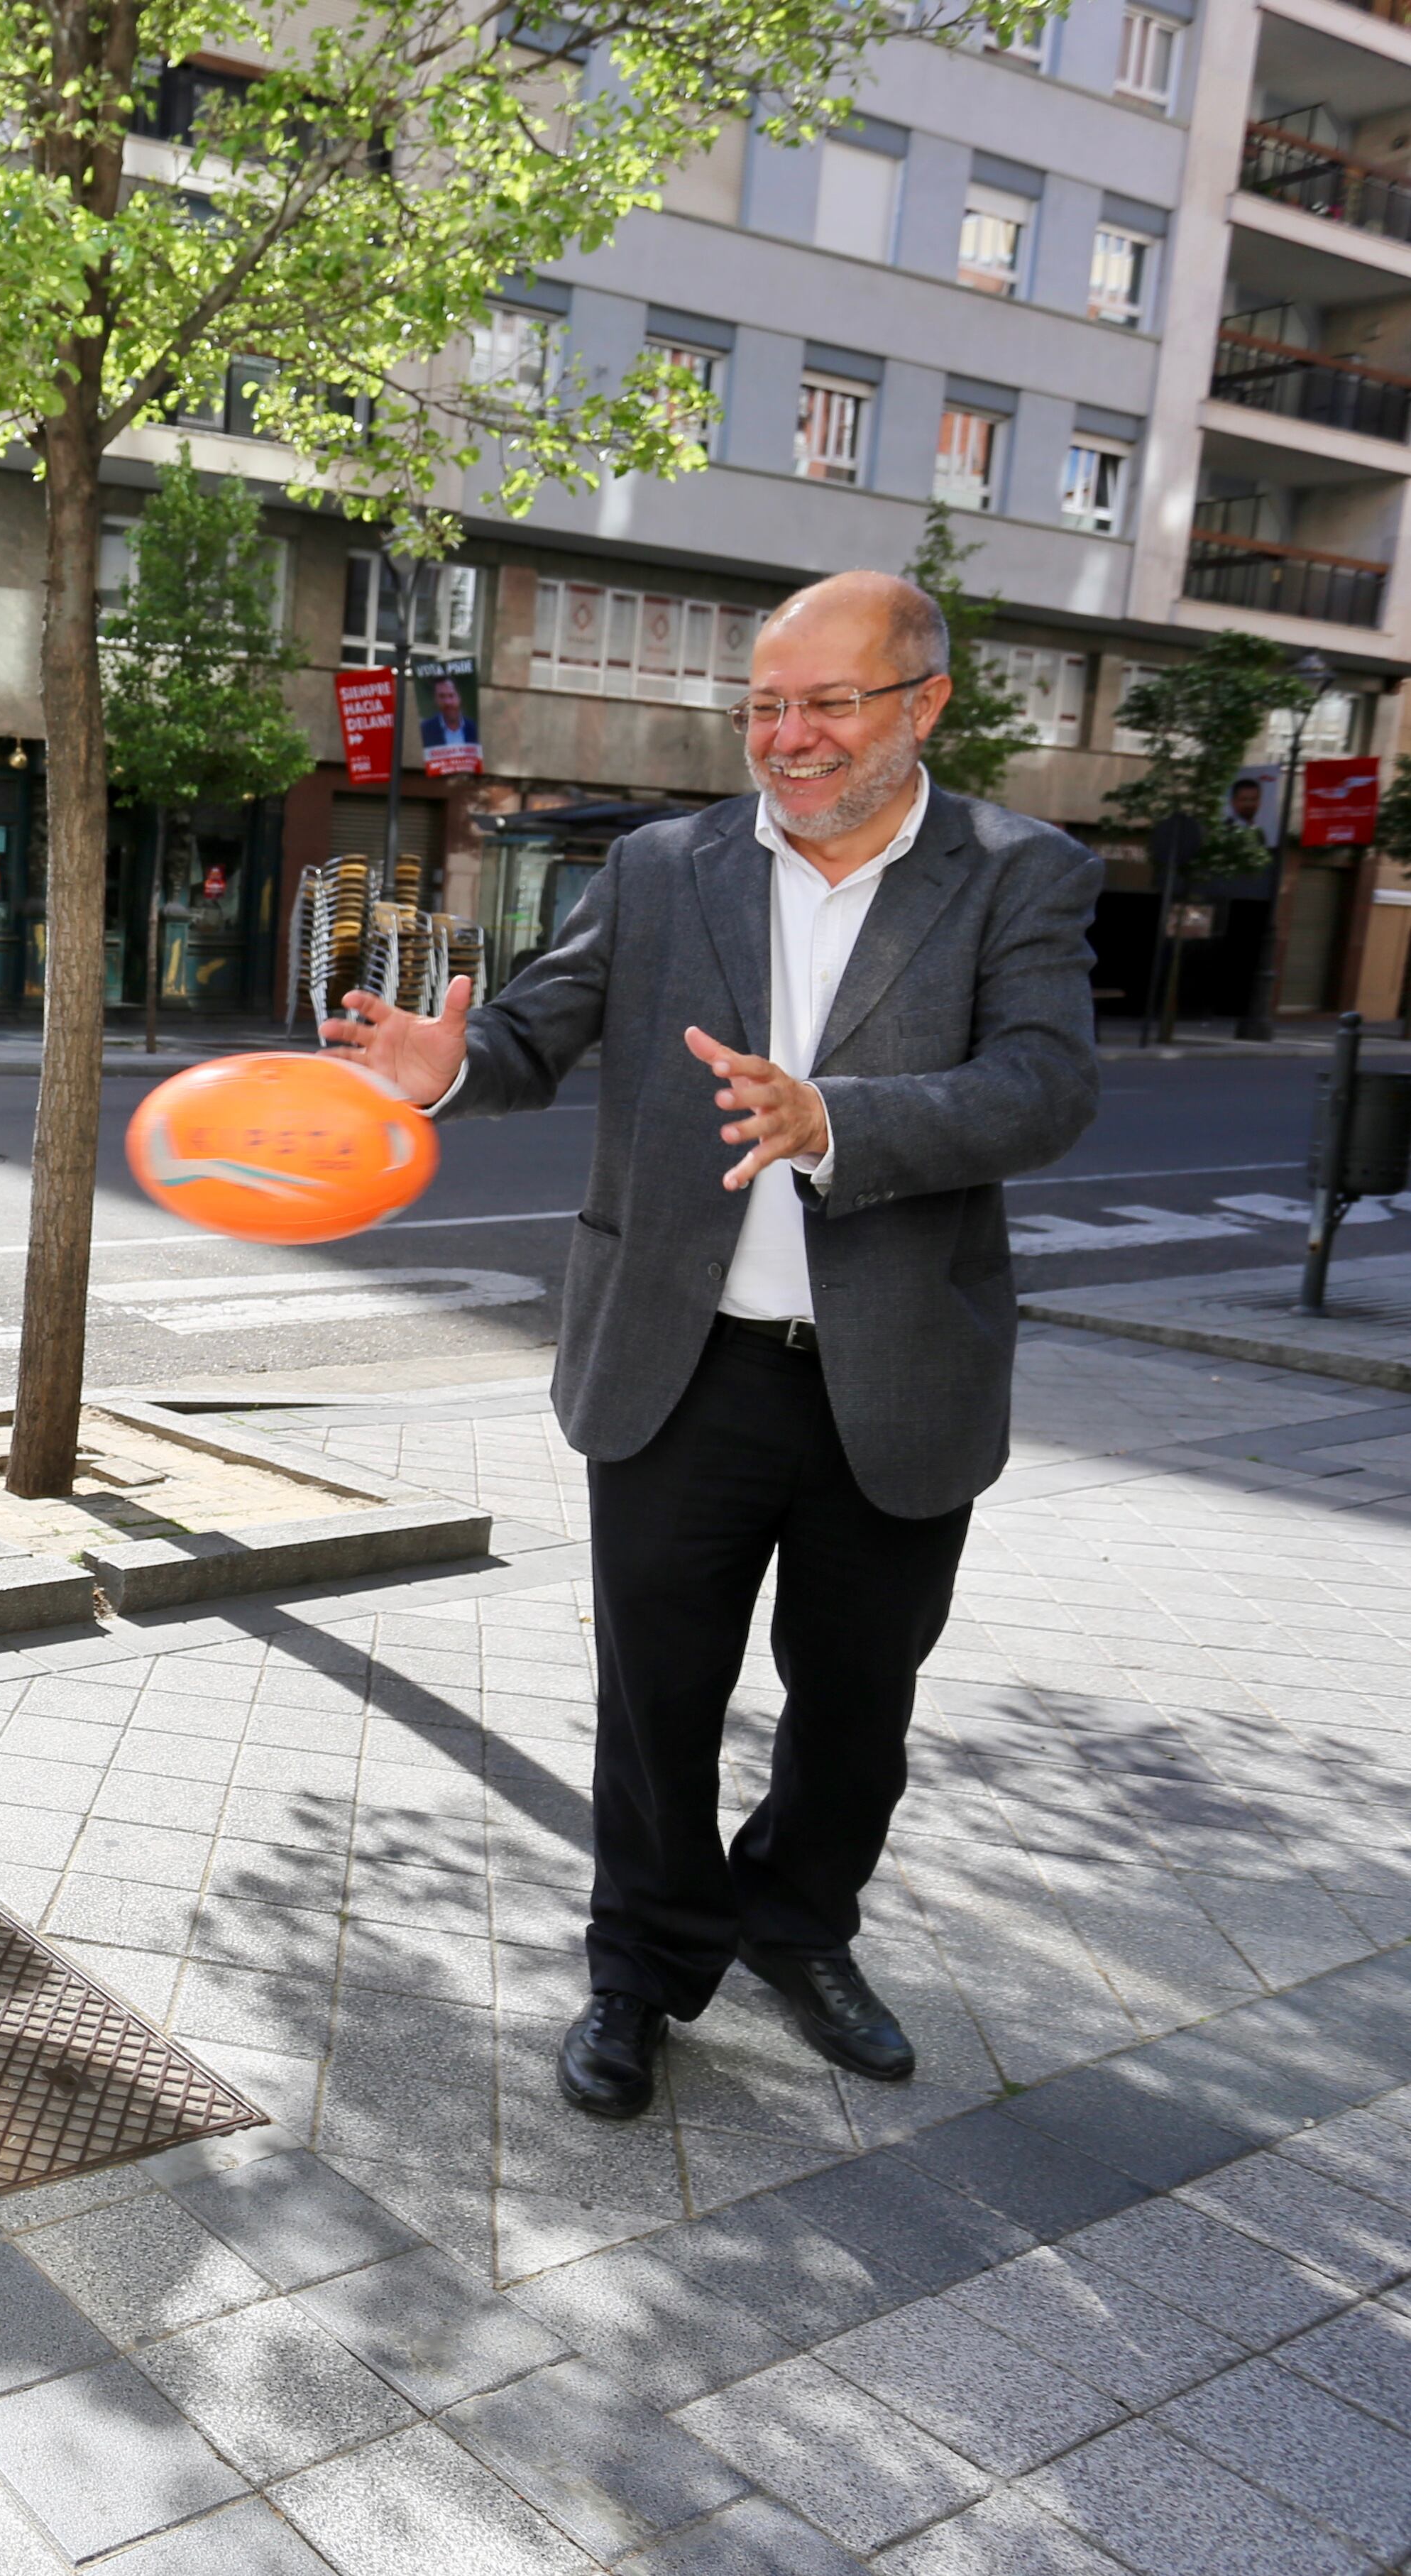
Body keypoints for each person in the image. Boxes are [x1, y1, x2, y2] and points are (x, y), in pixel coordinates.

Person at [324, 569, 1099, 2120]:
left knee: (857, 1708)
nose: (789, 737)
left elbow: (1044, 1086)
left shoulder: (1023, 871)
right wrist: (447, 1065)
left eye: (828, 702)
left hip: (896, 1374)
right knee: (656, 1699)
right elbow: (539, 1029)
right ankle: (639, 1967)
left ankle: (800, 1932)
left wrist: (839, 1123)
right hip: (682, 1364)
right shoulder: (665, 864)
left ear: (924, 703)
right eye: (764, 706)